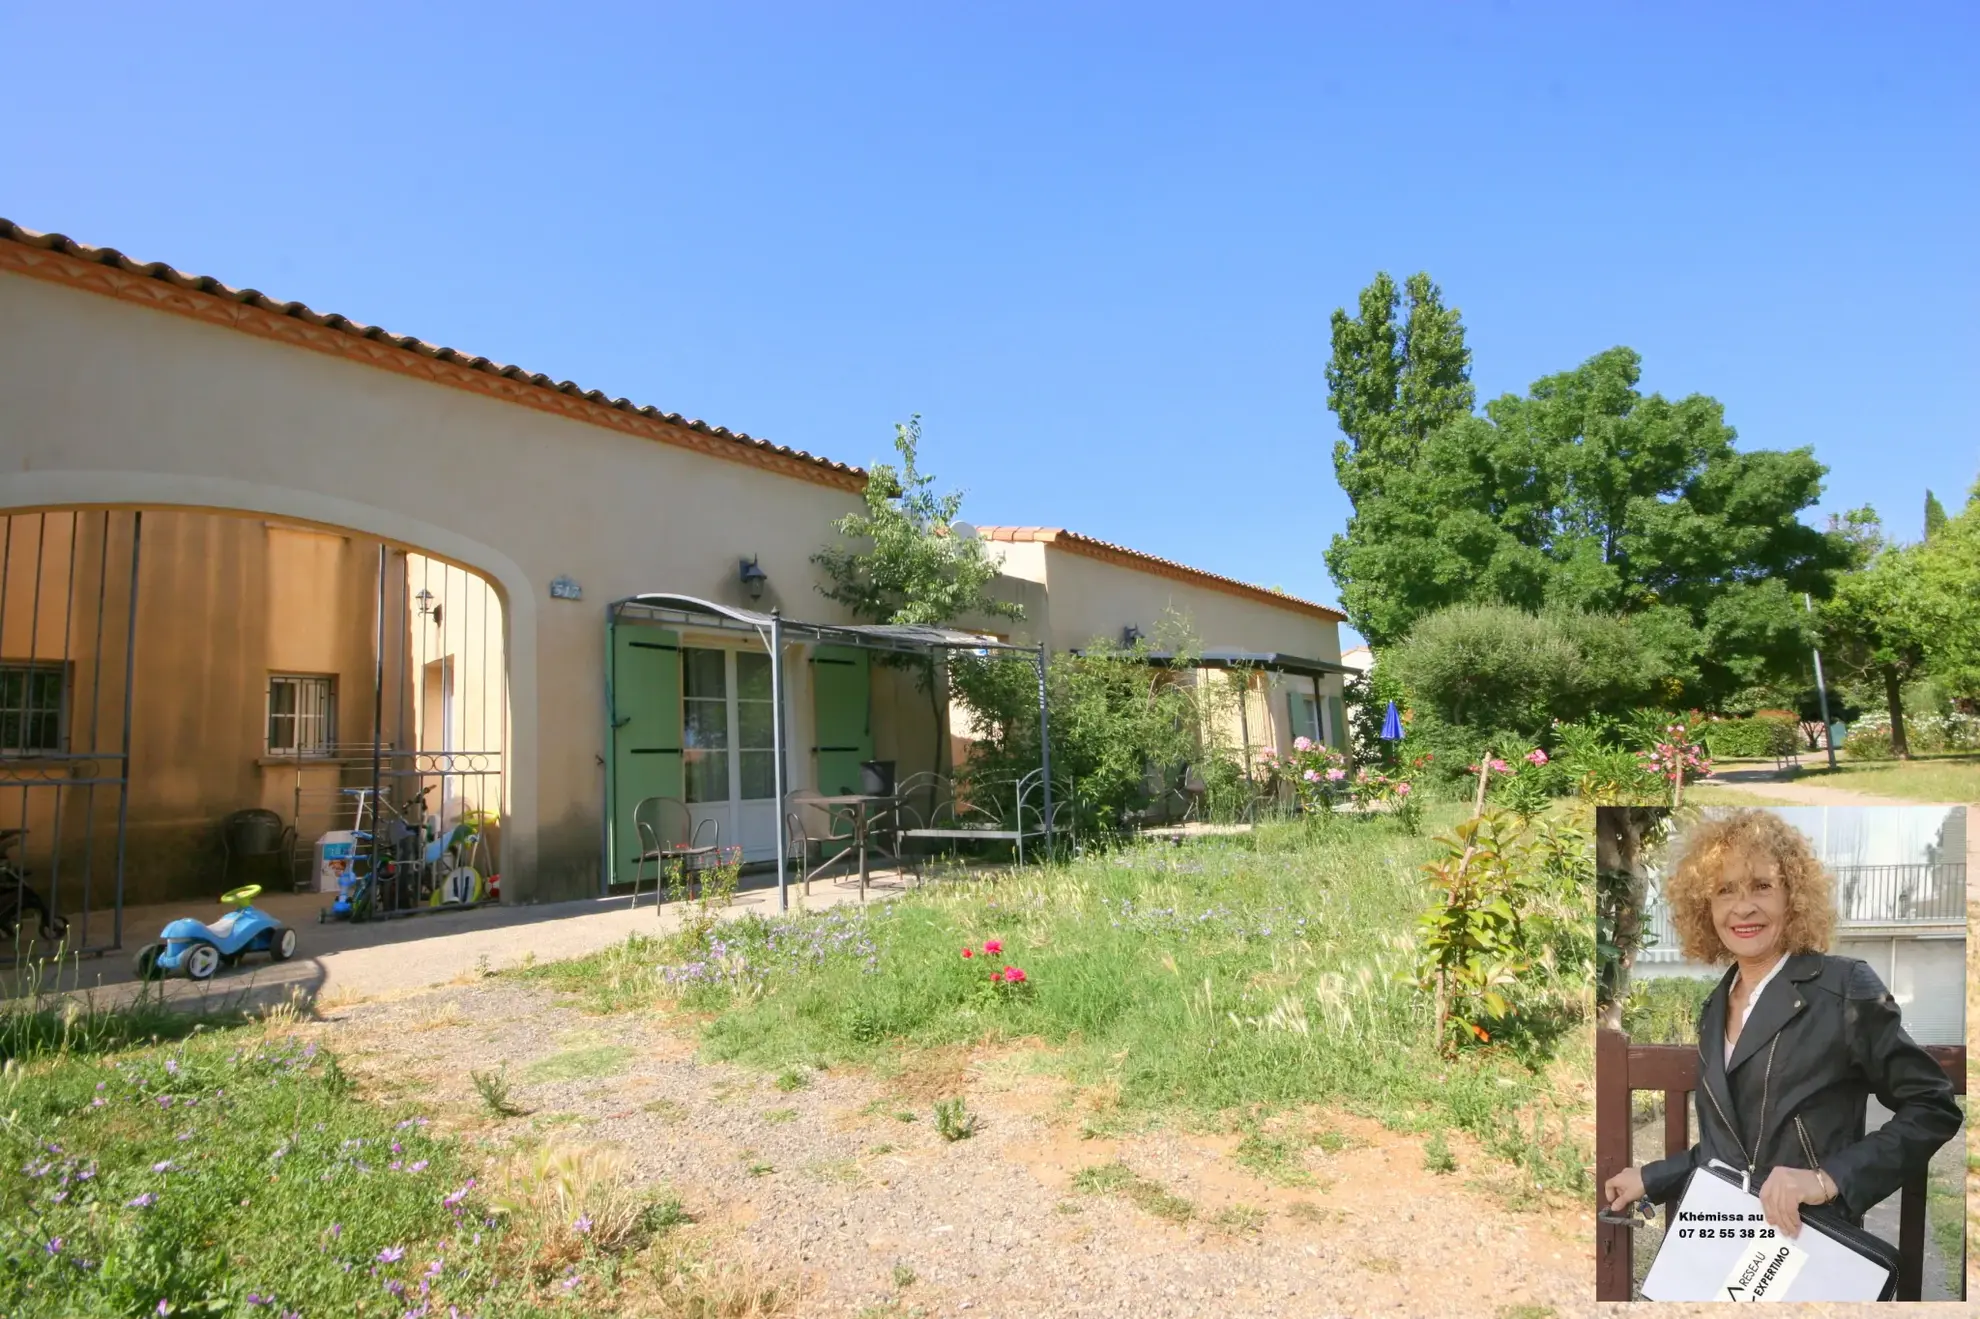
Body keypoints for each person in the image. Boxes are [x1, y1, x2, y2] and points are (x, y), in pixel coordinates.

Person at [1602, 810, 1961, 1239]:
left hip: (1810, 1240)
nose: (1743, 907)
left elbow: (1932, 1107)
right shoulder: (1715, 1006)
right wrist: (1652, 1177)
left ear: (1793, 897)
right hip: (1726, 1235)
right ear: (1706, 907)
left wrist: (1827, 1178)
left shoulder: (1843, 987)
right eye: (1724, 890)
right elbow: (1732, 1151)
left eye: (1762, 886)